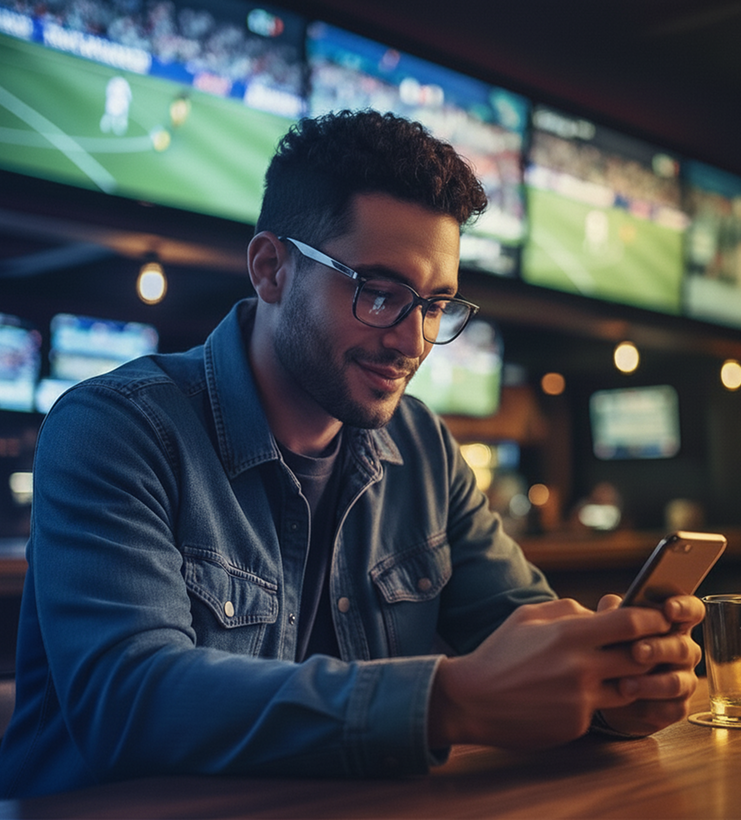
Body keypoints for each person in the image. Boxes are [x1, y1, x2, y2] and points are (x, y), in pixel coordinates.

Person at [0, 110, 703, 798]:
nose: (413, 341)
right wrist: (447, 700)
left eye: (435, 304)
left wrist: (614, 686)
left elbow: (526, 636)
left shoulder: (423, 447)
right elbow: (127, 701)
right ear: (271, 269)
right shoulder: (117, 427)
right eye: (379, 292)